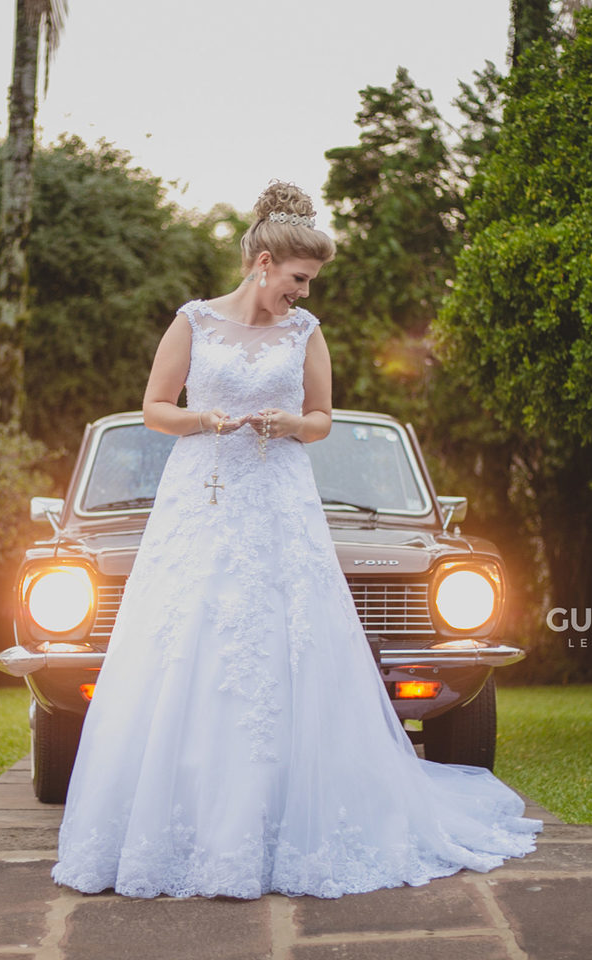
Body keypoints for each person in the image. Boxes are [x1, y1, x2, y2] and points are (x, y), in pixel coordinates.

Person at [50, 181, 540, 900]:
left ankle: (290, 813)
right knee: (192, 639)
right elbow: (155, 408)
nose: (303, 295)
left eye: (309, 284)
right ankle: (181, 818)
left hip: (279, 497)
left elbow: (322, 419)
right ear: (265, 263)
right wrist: (207, 420)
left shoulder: (305, 334)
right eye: (299, 281)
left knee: (286, 640)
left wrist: (288, 426)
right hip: (203, 495)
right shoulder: (192, 322)